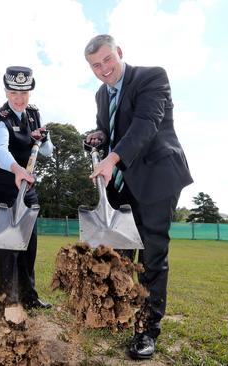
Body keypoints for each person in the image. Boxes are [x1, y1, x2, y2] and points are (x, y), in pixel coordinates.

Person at [83, 34, 193, 359]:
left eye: (107, 60)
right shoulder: (101, 95)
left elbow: (146, 123)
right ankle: (118, 311)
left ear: (119, 52)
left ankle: (146, 329)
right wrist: (98, 136)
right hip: (122, 183)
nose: (103, 69)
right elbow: (110, 129)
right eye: (95, 66)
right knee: (118, 252)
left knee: (151, 257)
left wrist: (112, 158)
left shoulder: (151, 77)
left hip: (157, 176)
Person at [0, 66, 54, 313]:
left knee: (28, 246)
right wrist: (17, 170)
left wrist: (44, 139)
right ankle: (7, 301)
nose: (19, 98)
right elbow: (1, 151)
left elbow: (47, 151)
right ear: (6, 91)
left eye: (24, 93)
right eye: (14, 92)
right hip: (3, 189)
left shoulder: (34, 114)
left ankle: (28, 296)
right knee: (6, 248)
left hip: (28, 188)